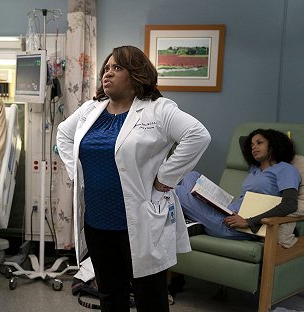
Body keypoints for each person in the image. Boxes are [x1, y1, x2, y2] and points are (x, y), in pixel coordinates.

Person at [56, 45, 211, 312]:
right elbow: (63, 134)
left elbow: (198, 135)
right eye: (106, 68)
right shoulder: (91, 110)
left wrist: (166, 177)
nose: (108, 73)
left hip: (140, 222)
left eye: (117, 68)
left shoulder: (158, 110)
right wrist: (77, 173)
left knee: (149, 298)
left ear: (136, 74)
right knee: (110, 296)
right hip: (98, 222)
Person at [175, 128, 300, 239]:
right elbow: (242, 140)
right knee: (191, 175)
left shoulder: (286, 169)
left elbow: (290, 204)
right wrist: (261, 139)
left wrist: (248, 222)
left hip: (233, 224)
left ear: (273, 145)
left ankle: (191, 218)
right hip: (227, 209)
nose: (254, 147)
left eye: (259, 143)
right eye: (252, 145)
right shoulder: (255, 169)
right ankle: (194, 219)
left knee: (176, 190)